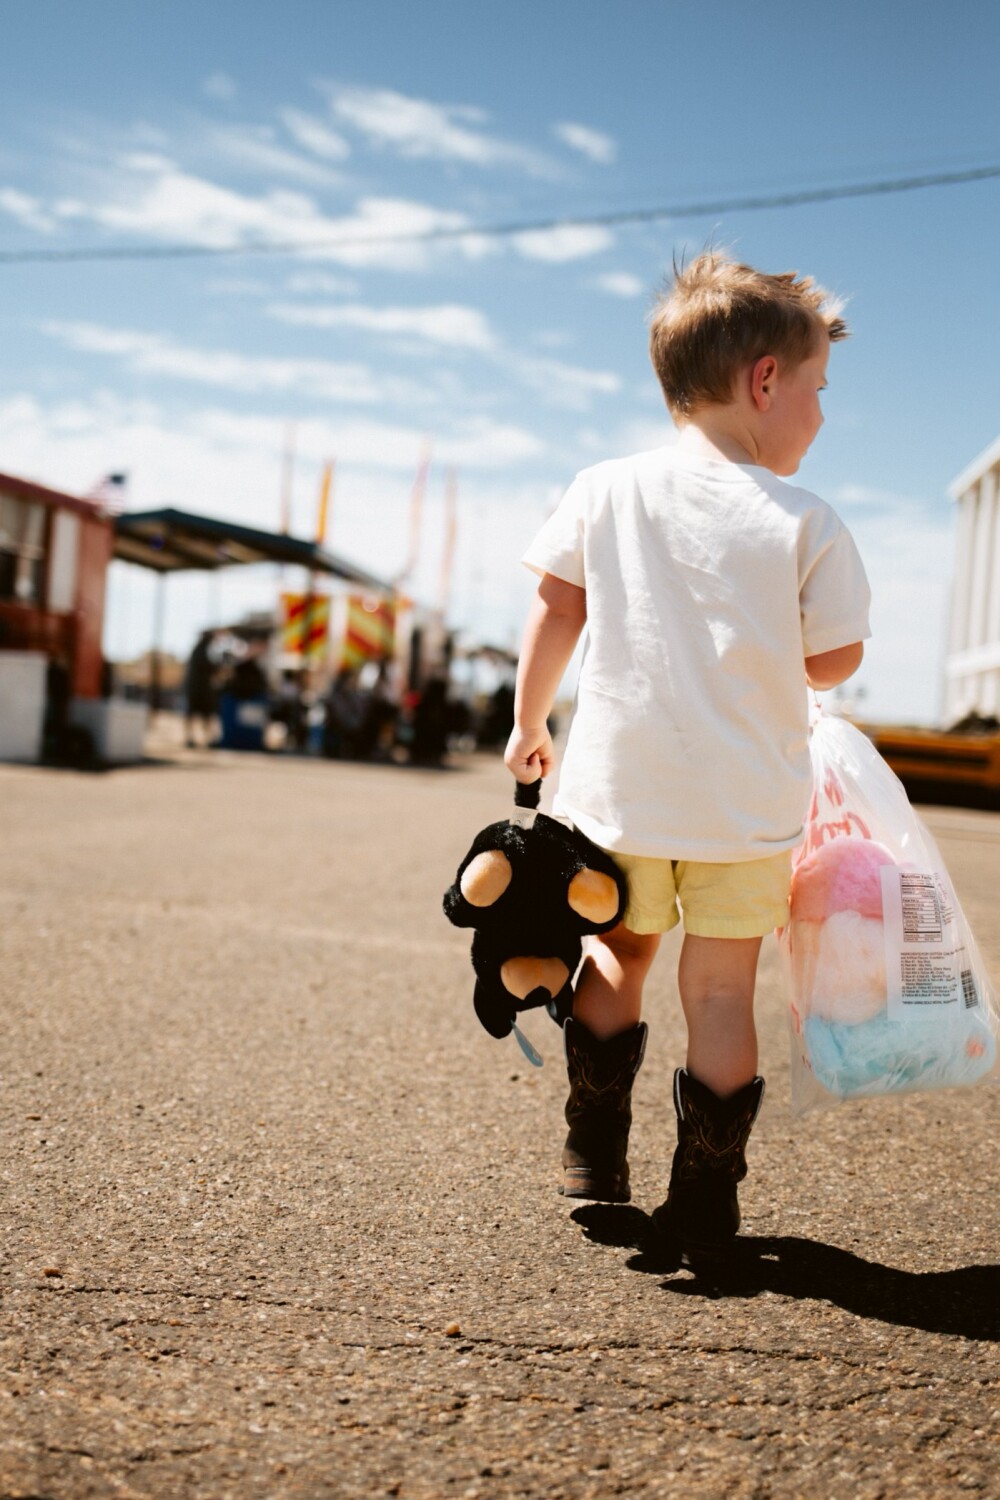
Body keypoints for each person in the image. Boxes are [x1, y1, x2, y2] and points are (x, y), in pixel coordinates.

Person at [504, 252, 871, 1258]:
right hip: (743, 816)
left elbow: (555, 605)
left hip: (616, 801)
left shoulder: (605, 488)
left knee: (613, 958)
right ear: (764, 381)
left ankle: (593, 1144)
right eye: (817, 390)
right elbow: (833, 657)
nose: (821, 415)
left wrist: (529, 721)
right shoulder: (805, 521)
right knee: (718, 994)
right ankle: (705, 1197)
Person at [183, 629, 219, 748]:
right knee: (203, 714)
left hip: (197, 687)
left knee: (200, 715)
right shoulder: (202, 650)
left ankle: (200, 738)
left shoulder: (199, 649)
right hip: (199, 688)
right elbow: (209, 667)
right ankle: (194, 738)